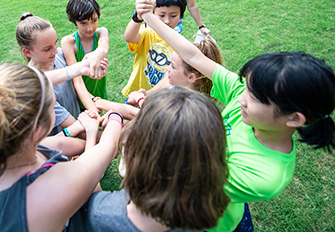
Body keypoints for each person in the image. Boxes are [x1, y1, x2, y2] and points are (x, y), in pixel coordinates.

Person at [137, 0, 335, 232]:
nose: (240, 98)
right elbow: (192, 55)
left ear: (294, 118)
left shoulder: (267, 174)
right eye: (246, 86)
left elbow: (188, 177)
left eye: (254, 97)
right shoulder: (241, 97)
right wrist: (149, 17)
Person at [0, 63, 124, 231]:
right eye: (52, 104)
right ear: (39, 129)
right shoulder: (48, 191)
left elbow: (60, 143)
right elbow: (104, 153)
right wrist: (115, 118)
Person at [84, 87, 230, 231]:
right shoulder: (198, 214)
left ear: (145, 157)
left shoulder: (106, 214)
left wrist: (93, 134)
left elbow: (89, 192)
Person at [16, 12, 107, 139]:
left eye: (55, 42)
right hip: (62, 142)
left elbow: (77, 84)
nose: (55, 50)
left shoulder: (59, 55)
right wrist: (110, 137)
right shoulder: (34, 88)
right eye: (47, 49)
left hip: (79, 124)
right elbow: (75, 128)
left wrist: (93, 100)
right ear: (27, 52)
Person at [96, 37, 222, 120]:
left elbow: (142, 114)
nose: (167, 69)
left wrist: (98, 103)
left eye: (172, 66)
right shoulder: (179, 85)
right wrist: (144, 94)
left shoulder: (191, 107)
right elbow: (162, 86)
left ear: (191, 77)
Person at [122, 0, 186, 98]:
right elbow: (129, 37)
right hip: (135, 93)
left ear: (180, 15)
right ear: (153, 13)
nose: (167, 20)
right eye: (161, 15)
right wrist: (138, 17)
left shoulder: (178, 42)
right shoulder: (147, 32)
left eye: (173, 15)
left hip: (161, 98)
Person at [61, 0, 109, 112]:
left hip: (100, 93)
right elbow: (77, 81)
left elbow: (104, 46)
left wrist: (97, 54)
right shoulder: (69, 42)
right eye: (83, 23)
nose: (90, 28)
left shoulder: (101, 33)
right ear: (74, 21)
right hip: (80, 99)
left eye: (94, 20)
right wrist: (92, 106)